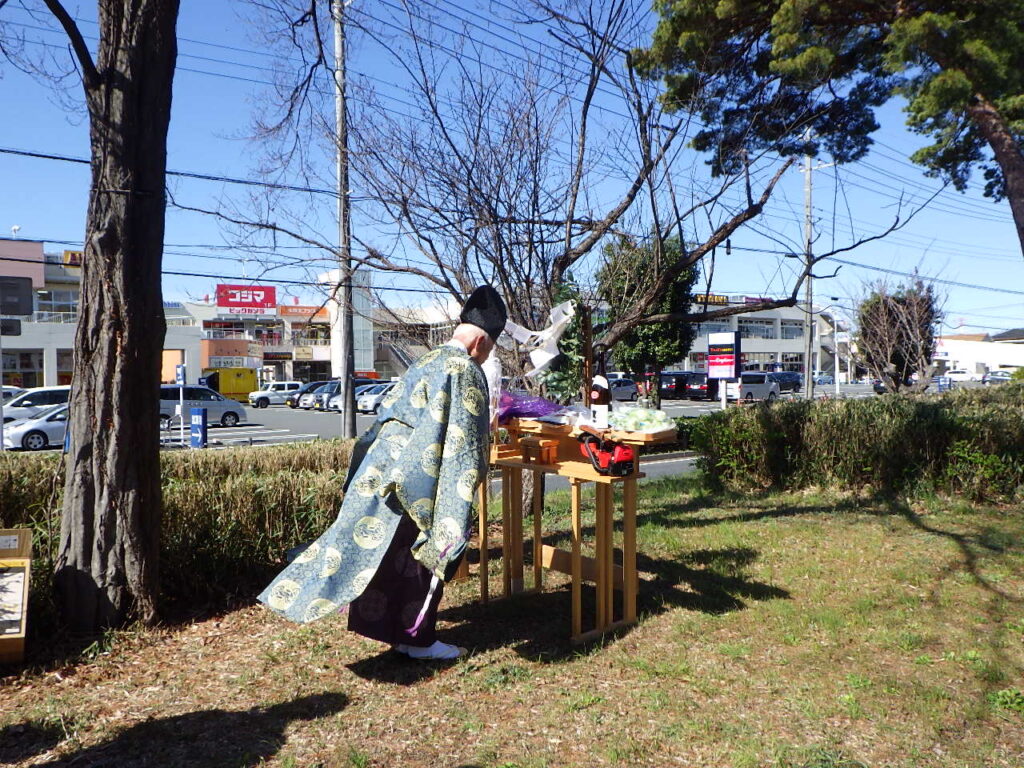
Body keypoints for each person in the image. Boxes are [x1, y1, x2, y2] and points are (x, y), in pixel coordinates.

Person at [258, 285, 507, 660]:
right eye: (488, 349)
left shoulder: (425, 361)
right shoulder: (466, 370)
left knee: (390, 556)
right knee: (426, 554)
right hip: (423, 479)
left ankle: (393, 630)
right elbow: (467, 442)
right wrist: (461, 497)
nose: (486, 355)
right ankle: (417, 639)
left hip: (382, 471)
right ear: (480, 343)